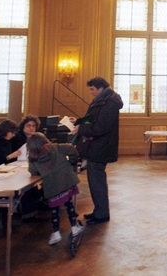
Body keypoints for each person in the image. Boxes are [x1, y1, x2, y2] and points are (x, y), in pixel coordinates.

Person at [70, 76, 123, 225]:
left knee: (97, 182)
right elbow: (92, 119)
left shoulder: (110, 102)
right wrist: (79, 121)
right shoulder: (103, 99)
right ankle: (99, 211)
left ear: (101, 88)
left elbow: (101, 127)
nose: (91, 92)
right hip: (97, 146)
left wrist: (81, 128)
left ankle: (101, 214)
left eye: (92, 89)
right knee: (95, 181)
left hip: (100, 147)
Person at [27, 132, 83, 245]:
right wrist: (70, 162)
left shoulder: (33, 158)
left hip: (51, 186)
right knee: (68, 204)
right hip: (66, 180)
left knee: (54, 209)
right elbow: (71, 148)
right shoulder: (56, 147)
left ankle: (56, 232)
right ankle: (74, 227)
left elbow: (33, 172)